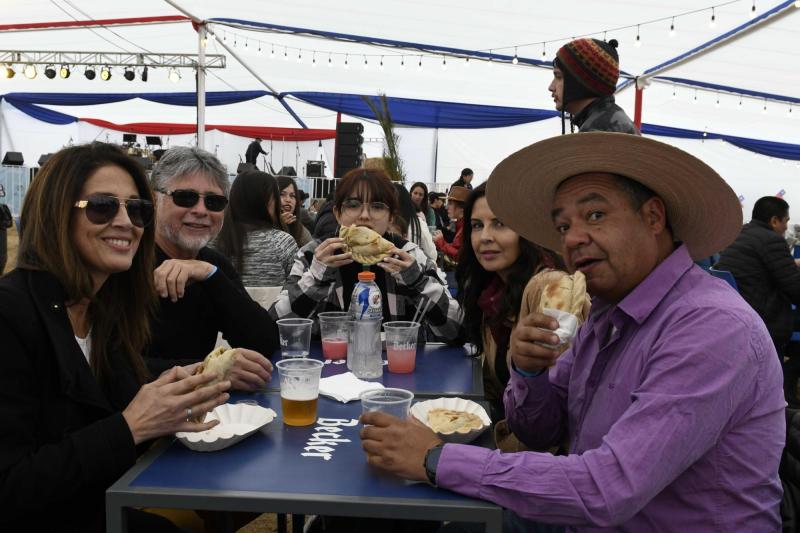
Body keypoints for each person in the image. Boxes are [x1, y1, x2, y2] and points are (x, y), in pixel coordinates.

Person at [360, 133, 785, 531]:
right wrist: (528, 372)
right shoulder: (605, 314)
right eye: (563, 226)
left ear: (654, 217)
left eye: (595, 215)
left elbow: (608, 488)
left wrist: (436, 457)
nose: (574, 239)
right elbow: (540, 430)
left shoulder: (712, 327)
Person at [0, 143, 232, 532]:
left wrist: (179, 387)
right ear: (57, 212)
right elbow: (10, 488)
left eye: (137, 209)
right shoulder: (11, 315)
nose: (127, 222)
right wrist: (132, 426)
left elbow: (109, 409)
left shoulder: (103, 311)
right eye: (102, 206)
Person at [270, 168, 462, 343]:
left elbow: (456, 330)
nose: (364, 215)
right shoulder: (313, 254)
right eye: (353, 205)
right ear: (338, 213)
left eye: (377, 207)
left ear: (391, 217)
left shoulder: (409, 255)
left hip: (398, 372)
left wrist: (417, 282)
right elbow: (276, 325)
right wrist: (316, 278)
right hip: (327, 372)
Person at [147, 147, 278, 384]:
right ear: (155, 199)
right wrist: (210, 372)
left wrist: (210, 275)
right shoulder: (126, 262)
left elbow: (264, 342)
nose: (200, 210)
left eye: (214, 202)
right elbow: (108, 367)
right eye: (185, 197)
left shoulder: (213, 265)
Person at [455, 183, 581, 421]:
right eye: (477, 226)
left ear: (526, 230)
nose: (485, 237)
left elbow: (555, 404)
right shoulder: (491, 292)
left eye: (500, 224)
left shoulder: (551, 289)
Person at [715, 196, 800, 405]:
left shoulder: (741, 235)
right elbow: (795, 290)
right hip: (764, 320)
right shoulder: (772, 240)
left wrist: (791, 263)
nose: (786, 226)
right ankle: (784, 392)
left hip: (737, 316)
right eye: (786, 221)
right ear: (774, 221)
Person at [213, 170, 298, 287]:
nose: (286, 200)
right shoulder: (282, 242)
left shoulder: (213, 240)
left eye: (292, 196)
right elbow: (296, 290)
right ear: (263, 201)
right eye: (277, 196)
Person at [549, 38, 638, 135]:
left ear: (580, 81)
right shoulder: (609, 120)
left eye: (558, 76)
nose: (551, 87)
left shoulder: (596, 132)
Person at [395, 183, 437, 263]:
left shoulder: (427, 212)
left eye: (420, 194)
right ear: (410, 194)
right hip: (413, 262)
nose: (417, 197)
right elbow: (432, 253)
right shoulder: (418, 221)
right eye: (415, 193)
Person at [433, 186, 469, 262]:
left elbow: (460, 256)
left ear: (461, 209)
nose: (447, 207)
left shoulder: (467, 227)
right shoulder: (462, 224)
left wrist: (440, 241)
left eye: (450, 203)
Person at [276, 175, 312, 247]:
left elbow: (312, 253)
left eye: (292, 196)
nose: (288, 200)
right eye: (282, 194)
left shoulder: (300, 229)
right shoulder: (260, 229)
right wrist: (278, 226)